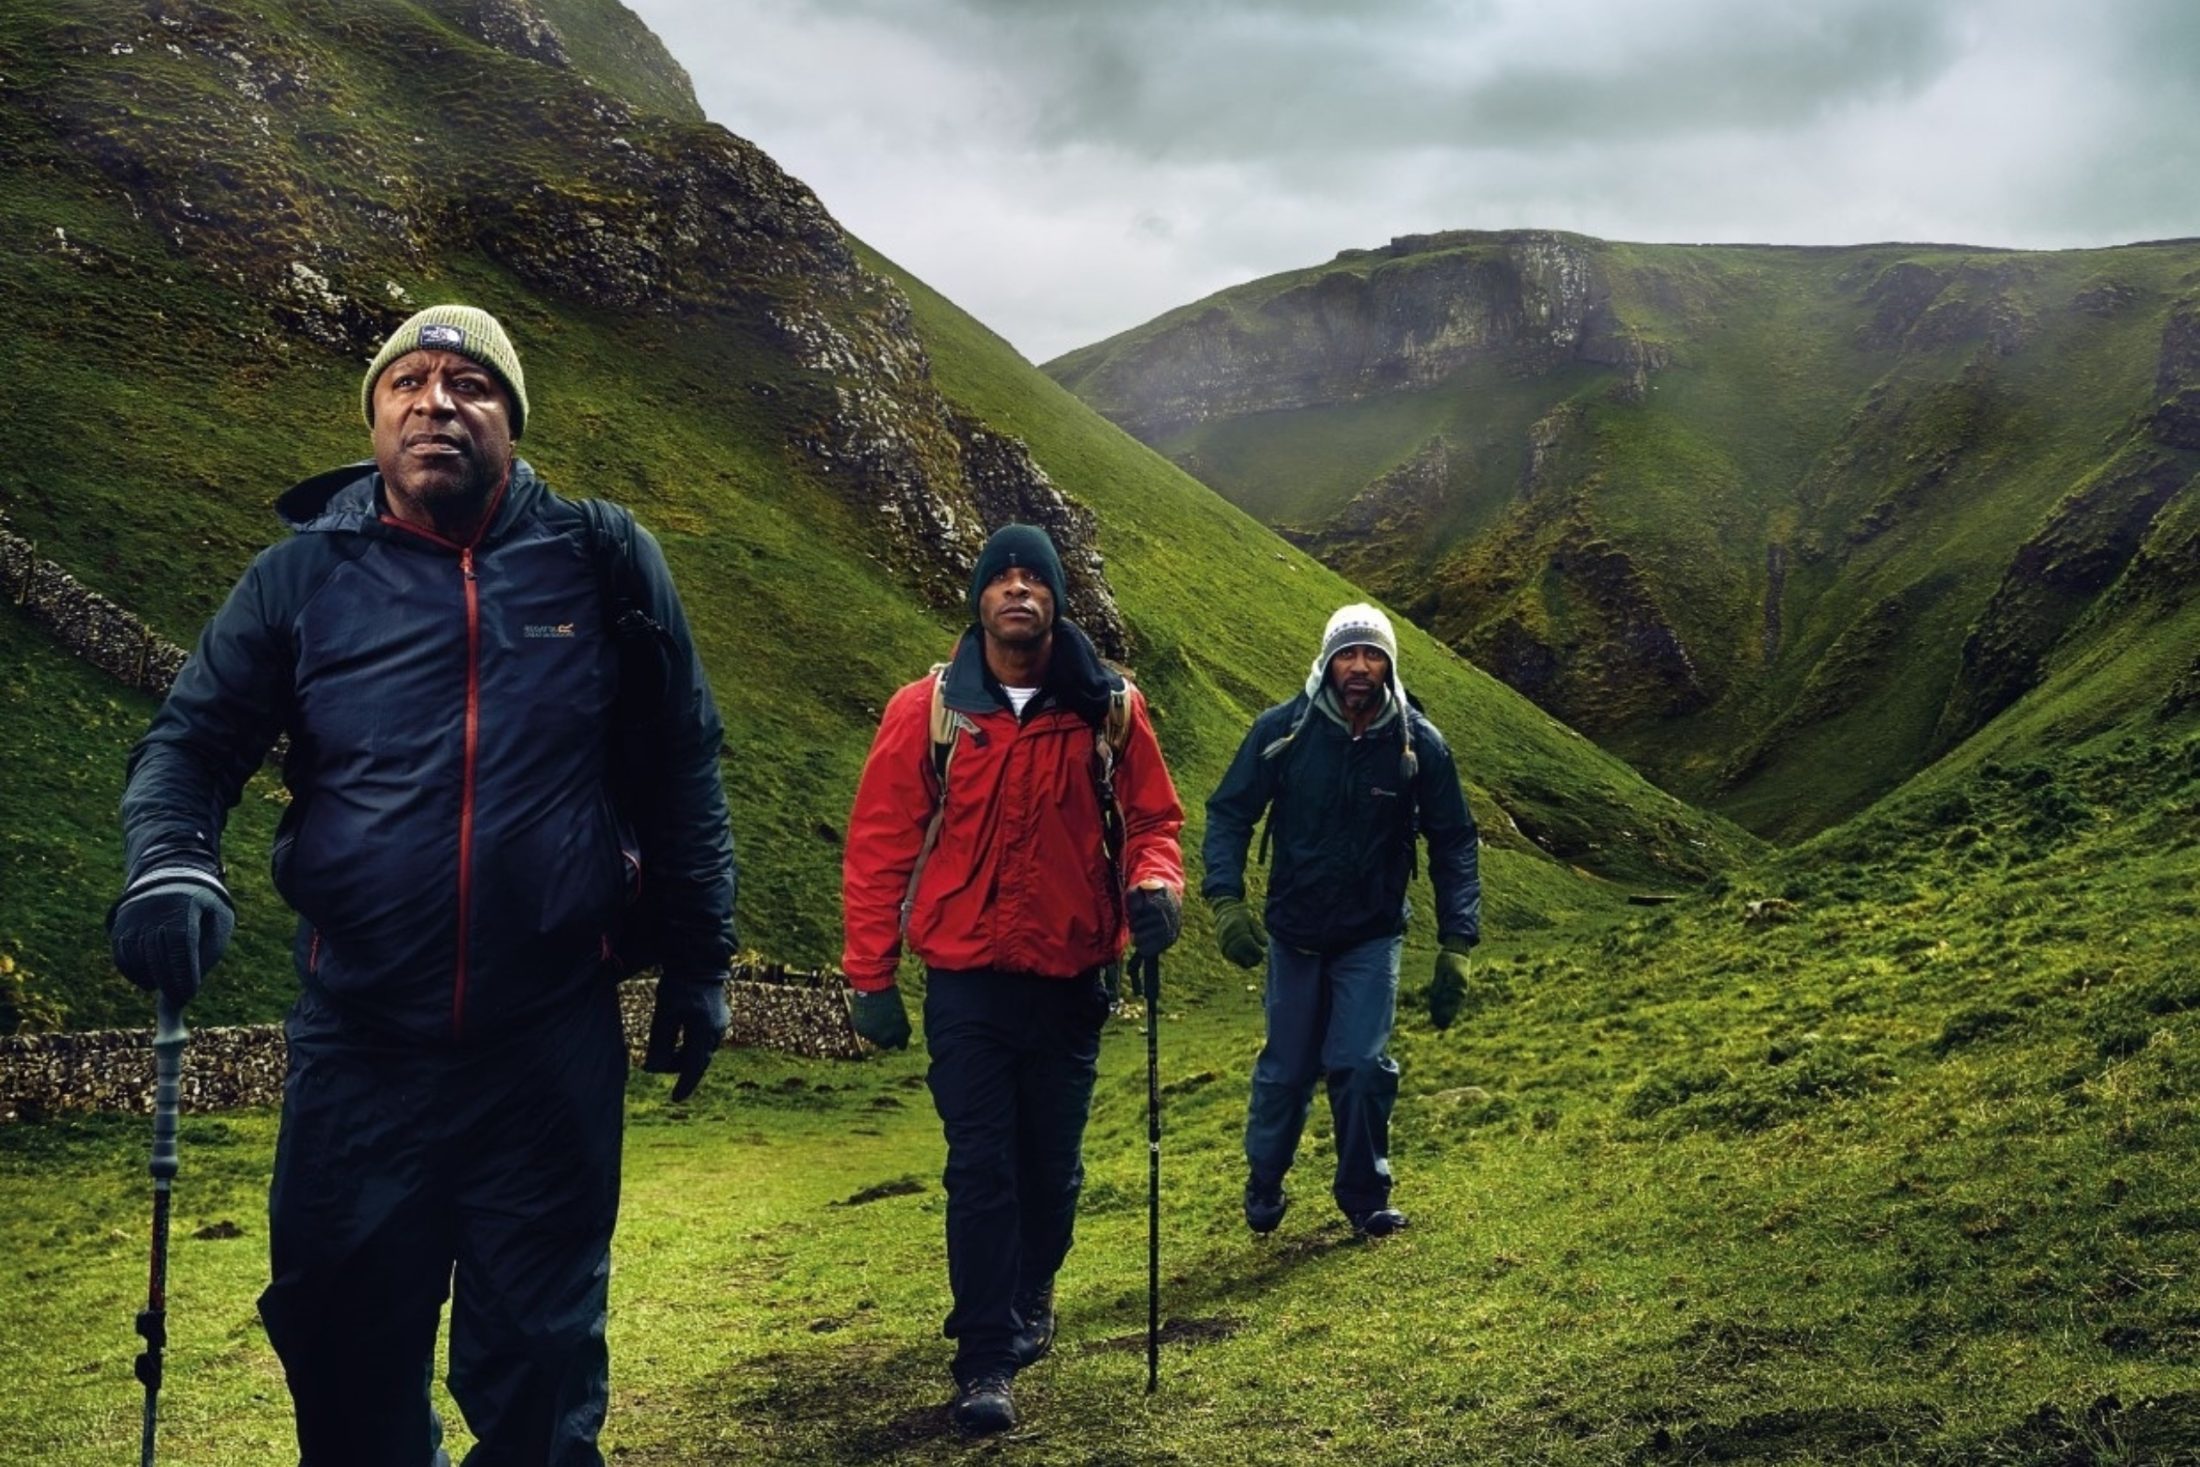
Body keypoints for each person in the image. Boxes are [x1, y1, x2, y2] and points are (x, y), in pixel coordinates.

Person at [106, 304, 737, 1465]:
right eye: (408, 383)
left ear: (511, 420)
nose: (436, 404)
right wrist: (170, 863)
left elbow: (686, 759)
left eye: (470, 385)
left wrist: (701, 961)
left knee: (541, 1364)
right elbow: (188, 748)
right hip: (361, 1039)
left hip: (545, 1042)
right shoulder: (300, 577)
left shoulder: (599, 558)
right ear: (375, 416)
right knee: (344, 1352)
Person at [841, 524, 1184, 1437]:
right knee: (981, 1168)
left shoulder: (1110, 709)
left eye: (1037, 578)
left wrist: (1157, 885)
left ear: (1057, 601)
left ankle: (1034, 1286)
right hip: (966, 984)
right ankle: (984, 1355)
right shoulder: (929, 711)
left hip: (1074, 979)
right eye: (1003, 577)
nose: (1019, 589)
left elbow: (1155, 819)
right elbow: (879, 847)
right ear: (979, 600)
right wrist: (869, 976)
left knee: (1051, 1169)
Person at [1202, 603, 1479, 1239]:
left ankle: (1366, 1199)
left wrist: (1456, 943)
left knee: (1359, 1064)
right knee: (1287, 1070)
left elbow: (1455, 841)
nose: (1359, 667)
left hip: (1371, 932)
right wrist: (1226, 902)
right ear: (1326, 662)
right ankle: (1265, 1181)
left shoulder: (1416, 745)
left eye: (1372, 654)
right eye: (1347, 654)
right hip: (1294, 932)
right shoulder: (1285, 732)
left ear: (1389, 665)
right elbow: (1228, 813)